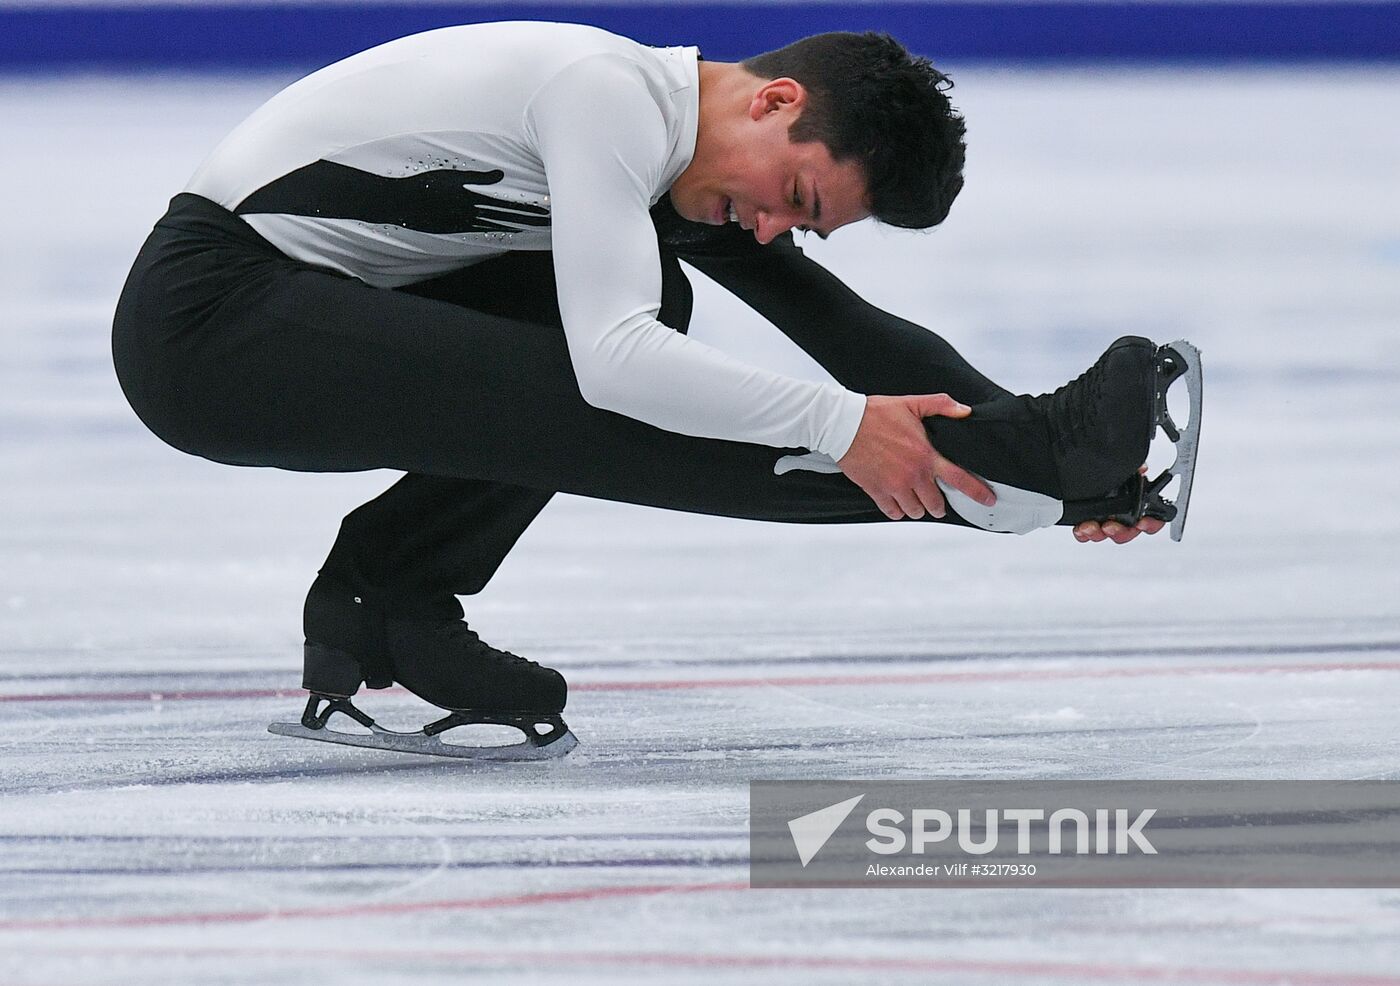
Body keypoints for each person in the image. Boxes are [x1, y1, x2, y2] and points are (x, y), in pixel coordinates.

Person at [110, 22, 1198, 759]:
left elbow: (840, 327)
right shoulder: (606, 98)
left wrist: (1049, 454)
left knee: (648, 297)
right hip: (208, 327)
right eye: (794, 193)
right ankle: (983, 488)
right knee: (624, 359)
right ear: (775, 102)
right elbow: (614, 366)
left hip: (303, 308)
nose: (772, 229)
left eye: (804, 223)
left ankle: (389, 604)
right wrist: (850, 432)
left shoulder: (690, 158)